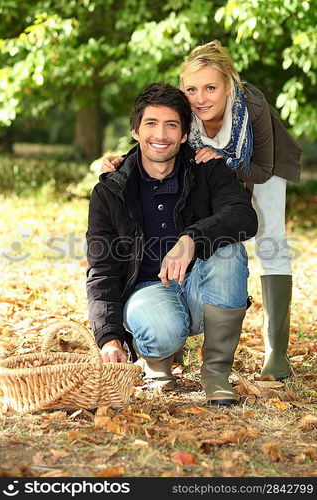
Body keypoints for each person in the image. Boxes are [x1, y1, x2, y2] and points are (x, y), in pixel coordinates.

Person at [100, 41, 302, 381]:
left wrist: (221, 164)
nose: (201, 97)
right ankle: (169, 328)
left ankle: (276, 352)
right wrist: (123, 161)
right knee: (198, 228)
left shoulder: (252, 107)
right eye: (191, 88)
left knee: (271, 241)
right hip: (214, 169)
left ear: (229, 85)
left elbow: (261, 169)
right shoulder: (185, 108)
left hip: (260, 163)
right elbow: (157, 135)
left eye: (211, 87)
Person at [86, 82, 258, 406]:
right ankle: (157, 364)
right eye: (151, 123)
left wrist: (193, 238)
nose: (160, 134)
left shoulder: (207, 168)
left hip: (200, 288)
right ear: (136, 131)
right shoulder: (110, 191)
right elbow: (102, 270)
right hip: (147, 291)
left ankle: (216, 372)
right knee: (161, 327)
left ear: (183, 135)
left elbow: (243, 216)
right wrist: (108, 337)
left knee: (229, 251)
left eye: (171, 125)